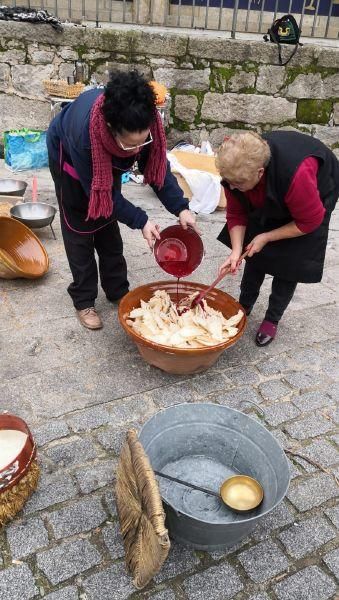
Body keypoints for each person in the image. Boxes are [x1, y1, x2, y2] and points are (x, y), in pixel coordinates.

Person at [47, 71, 198, 330]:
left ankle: (117, 290)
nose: (138, 151)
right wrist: (141, 220)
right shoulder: (86, 138)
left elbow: (157, 167)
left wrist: (181, 208)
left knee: (108, 223)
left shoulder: (143, 121)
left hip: (105, 163)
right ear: (110, 129)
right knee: (80, 228)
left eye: (143, 142)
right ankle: (83, 299)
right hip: (70, 160)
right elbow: (103, 194)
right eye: (131, 146)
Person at [216, 130, 339, 346]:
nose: (232, 187)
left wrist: (269, 236)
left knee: (290, 261)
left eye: (238, 184)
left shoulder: (296, 174)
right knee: (253, 251)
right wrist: (236, 251)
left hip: (312, 196)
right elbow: (236, 212)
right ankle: (244, 305)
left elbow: (309, 222)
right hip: (272, 188)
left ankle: (272, 318)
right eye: (229, 182)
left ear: (260, 172)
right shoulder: (236, 172)